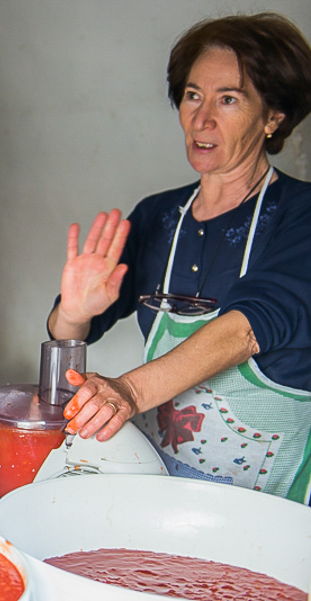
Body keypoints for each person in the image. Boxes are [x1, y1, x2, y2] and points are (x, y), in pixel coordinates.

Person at [48, 13, 311, 504]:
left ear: (273, 117)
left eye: (228, 99)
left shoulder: (301, 215)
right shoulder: (157, 215)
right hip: (161, 483)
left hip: (264, 503)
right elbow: (69, 337)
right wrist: (73, 312)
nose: (201, 118)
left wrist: (127, 392)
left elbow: (246, 328)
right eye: (193, 95)